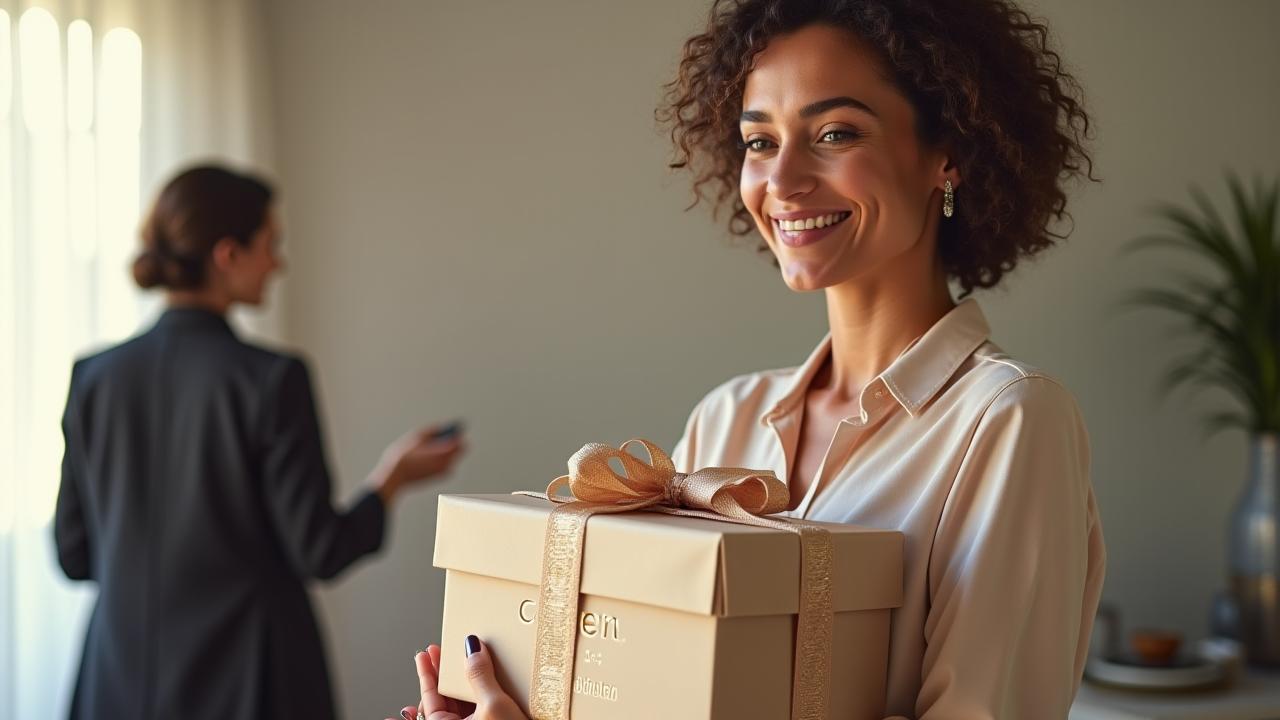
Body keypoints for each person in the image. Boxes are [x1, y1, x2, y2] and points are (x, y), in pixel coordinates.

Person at [394, 0, 1104, 717]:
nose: (784, 179)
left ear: (948, 153)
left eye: (835, 132)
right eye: (760, 142)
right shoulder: (726, 420)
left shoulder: (1010, 421)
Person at [54, 164, 466, 720]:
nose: (279, 263)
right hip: (251, 683)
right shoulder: (271, 379)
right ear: (228, 254)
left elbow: (74, 555)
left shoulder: (94, 377)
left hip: (118, 681)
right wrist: (391, 479)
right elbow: (320, 549)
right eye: (270, 245)